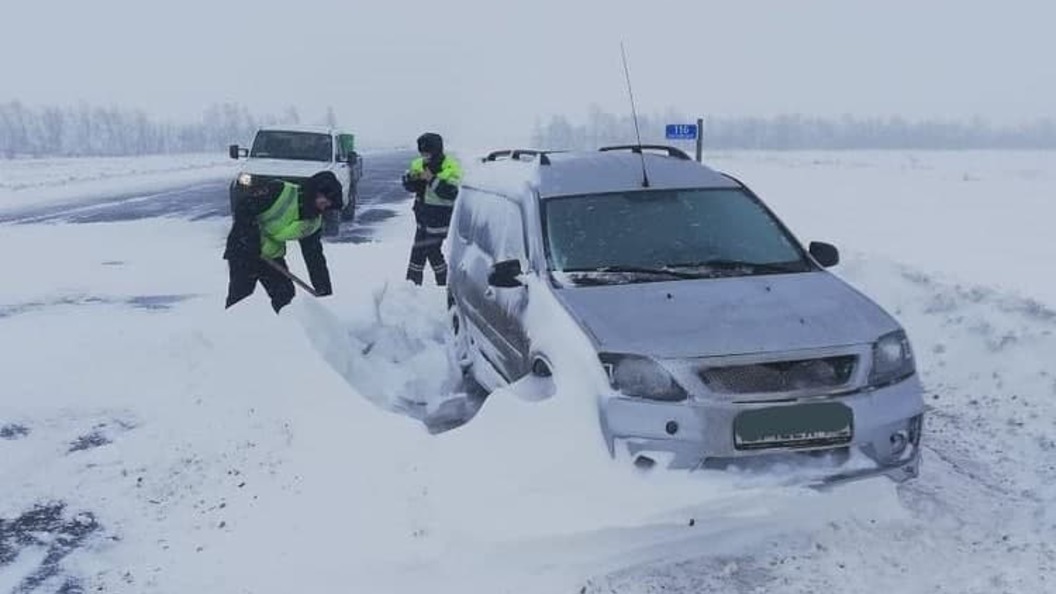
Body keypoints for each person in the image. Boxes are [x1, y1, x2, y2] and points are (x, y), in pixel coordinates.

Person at [223, 171, 343, 313]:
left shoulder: (313, 222)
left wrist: (324, 291)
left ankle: (286, 330)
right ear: (314, 191)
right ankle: (231, 330)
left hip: (271, 255)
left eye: (329, 204)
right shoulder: (279, 191)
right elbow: (244, 206)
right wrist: (250, 240)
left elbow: (314, 257)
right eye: (325, 200)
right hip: (243, 249)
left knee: (285, 295)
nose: (325, 206)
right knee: (241, 297)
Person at [401, 132, 462, 285]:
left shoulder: (451, 166)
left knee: (432, 251)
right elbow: (410, 186)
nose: (424, 156)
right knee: (417, 253)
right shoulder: (418, 164)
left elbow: (451, 193)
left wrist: (431, 179)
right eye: (422, 153)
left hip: (440, 218)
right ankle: (411, 286)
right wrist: (412, 180)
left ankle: (445, 283)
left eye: (427, 152)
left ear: (436, 150)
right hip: (422, 217)